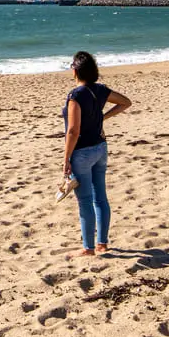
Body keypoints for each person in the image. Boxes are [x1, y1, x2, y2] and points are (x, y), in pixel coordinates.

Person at [62, 51, 132, 256]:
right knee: (100, 197)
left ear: (75, 70)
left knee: (85, 200)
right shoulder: (100, 90)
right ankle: (102, 243)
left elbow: (73, 131)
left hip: (82, 152)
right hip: (100, 148)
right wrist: (103, 118)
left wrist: (66, 158)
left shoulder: (75, 95)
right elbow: (125, 102)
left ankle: (88, 248)